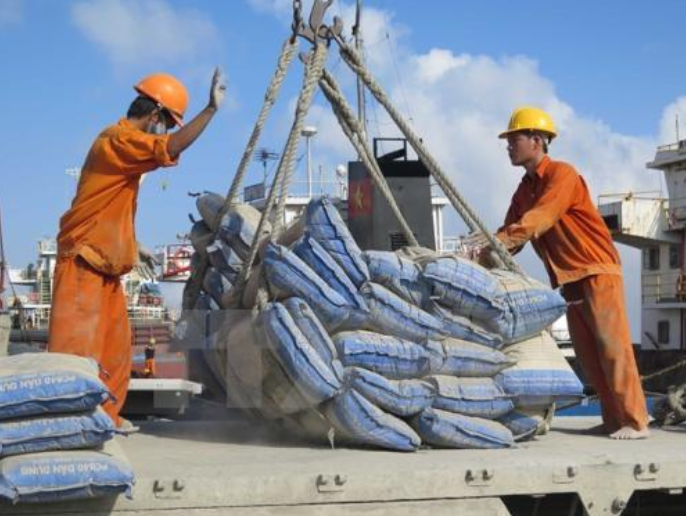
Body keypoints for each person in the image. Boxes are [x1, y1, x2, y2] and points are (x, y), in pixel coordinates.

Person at [48, 69, 226, 431]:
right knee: (75, 355)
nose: (165, 130)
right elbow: (169, 148)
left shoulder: (125, 154)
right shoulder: (117, 140)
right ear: (155, 114)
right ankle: (65, 429)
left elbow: (108, 207)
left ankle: (104, 423)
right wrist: (210, 110)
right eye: (167, 123)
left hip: (106, 268)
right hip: (83, 263)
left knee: (114, 356)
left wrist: (134, 245)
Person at [482, 106, 650, 439]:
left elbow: (540, 219)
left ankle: (636, 422)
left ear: (536, 140)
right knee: (589, 356)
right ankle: (614, 421)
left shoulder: (563, 175)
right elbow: (509, 234)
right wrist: (481, 253)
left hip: (597, 270)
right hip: (569, 279)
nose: (508, 146)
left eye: (514, 139)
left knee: (613, 348)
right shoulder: (523, 190)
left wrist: (499, 241)